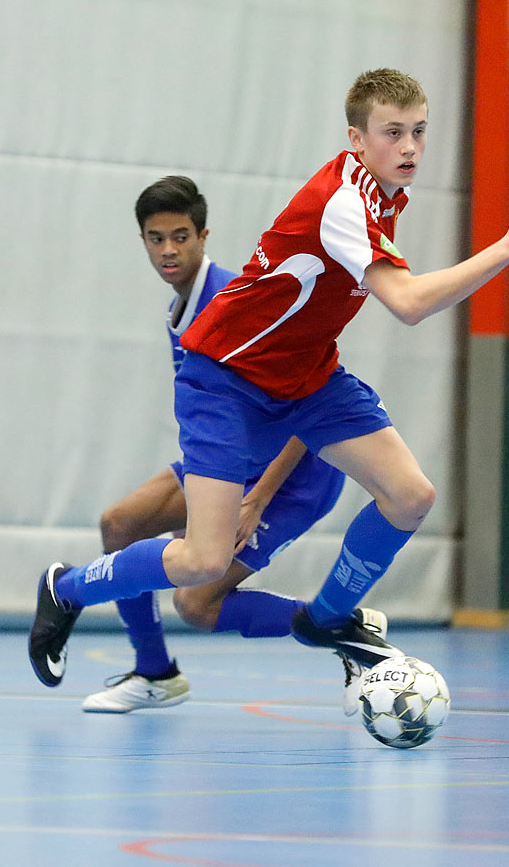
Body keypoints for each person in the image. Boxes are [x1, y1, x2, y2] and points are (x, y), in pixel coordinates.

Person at [30, 69, 509, 698]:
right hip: (227, 382)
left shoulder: (383, 193)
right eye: (393, 133)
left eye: (419, 131)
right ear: (356, 138)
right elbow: (410, 303)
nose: (411, 147)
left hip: (308, 376)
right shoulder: (342, 201)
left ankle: (329, 617)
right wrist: (504, 248)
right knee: (201, 564)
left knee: (411, 496)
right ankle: (65, 589)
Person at [82, 175, 381, 713]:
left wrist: (256, 498)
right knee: (119, 525)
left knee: (197, 602)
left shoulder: (227, 299)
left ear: (203, 237)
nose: (169, 250)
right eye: (156, 238)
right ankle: (156, 674)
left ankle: (344, 625)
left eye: (180, 236)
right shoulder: (180, 308)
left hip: (292, 474)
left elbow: (303, 403)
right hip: (232, 459)